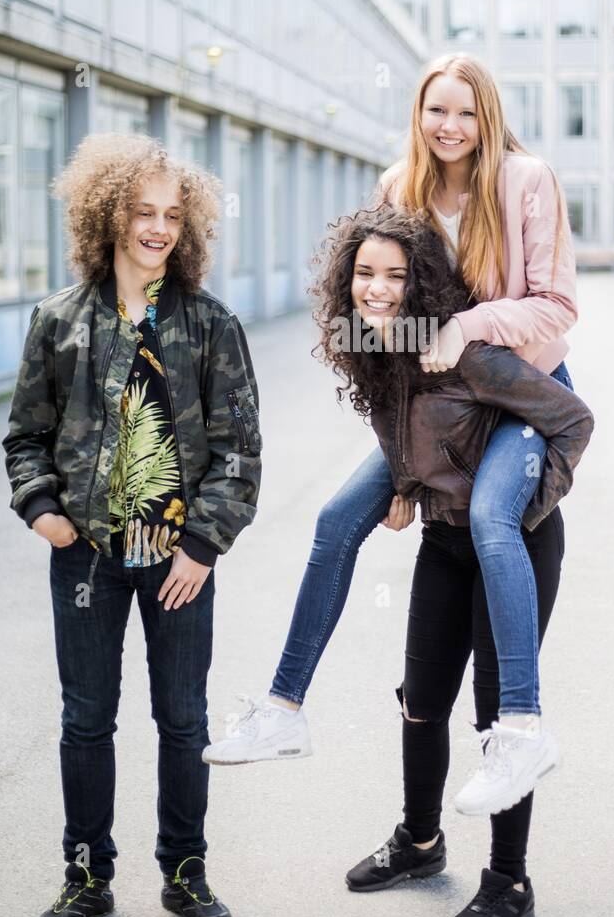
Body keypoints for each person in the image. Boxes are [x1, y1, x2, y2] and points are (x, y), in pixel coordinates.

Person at [205, 52, 579, 768]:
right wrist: (405, 475)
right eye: (437, 109)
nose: (451, 124)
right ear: (418, 114)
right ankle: (284, 709)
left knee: (491, 520)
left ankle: (523, 731)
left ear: (489, 116)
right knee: (336, 519)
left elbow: (558, 305)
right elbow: (385, 346)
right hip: (436, 402)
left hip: (517, 391)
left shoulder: (526, 181)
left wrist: (470, 326)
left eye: (467, 111)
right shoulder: (398, 188)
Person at [1, 133, 262, 917]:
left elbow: (239, 451)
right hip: (85, 561)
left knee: (184, 720)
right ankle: (86, 878)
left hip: (179, 561)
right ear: (108, 214)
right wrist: (41, 510)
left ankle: (185, 872)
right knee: (86, 721)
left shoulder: (211, 325)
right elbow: (24, 438)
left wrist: (203, 545)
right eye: (143, 212)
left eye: (173, 216)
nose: (157, 228)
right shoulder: (58, 322)